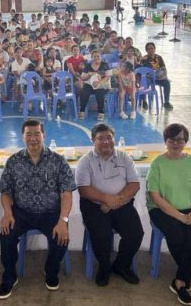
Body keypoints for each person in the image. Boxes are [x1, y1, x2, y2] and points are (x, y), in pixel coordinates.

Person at [0, 119, 76, 300]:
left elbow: (66, 194)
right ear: (22, 137)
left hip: (51, 213)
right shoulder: (14, 161)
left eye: (37, 134)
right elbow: (5, 191)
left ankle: (51, 271)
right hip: (21, 213)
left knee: (61, 237)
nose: (33, 138)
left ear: (43, 135)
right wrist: (7, 214)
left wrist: (63, 220)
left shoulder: (58, 161)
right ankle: (9, 276)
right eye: (28, 134)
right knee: (6, 235)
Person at [76, 123, 143, 287]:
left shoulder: (124, 157)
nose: (106, 142)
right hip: (94, 205)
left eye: (109, 138)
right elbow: (83, 189)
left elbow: (134, 184)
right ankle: (104, 267)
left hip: (122, 203)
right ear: (93, 141)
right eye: (101, 138)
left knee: (135, 233)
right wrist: (106, 199)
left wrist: (116, 200)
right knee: (102, 234)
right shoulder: (85, 161)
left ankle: (121, 265)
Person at [146, 123, 191, 306]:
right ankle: (184, 277)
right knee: (177, 234)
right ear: (166, 141)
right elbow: (155, 197)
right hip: (161, 209)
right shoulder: (157, 163)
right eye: (172, 139)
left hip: (190, 208)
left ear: (185, 141)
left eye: (180, 139)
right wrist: (180, 217)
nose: (176, 143)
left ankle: (179, 281)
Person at [79, 50, 111, 121]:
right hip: (90, 85)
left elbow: (108, 76)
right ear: (92, 58)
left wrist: (99, 82)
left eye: (98, 56)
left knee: (100, 93)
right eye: (94, 56)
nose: (96, 58)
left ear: (101, 57)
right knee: (84, 92)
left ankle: (101, 112)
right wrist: (88, 75)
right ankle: (82, 111)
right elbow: (82, 78)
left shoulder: (105, 65)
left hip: (101, 84)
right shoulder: (88, 66)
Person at [141, 42, 173, 110]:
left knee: (167, 83)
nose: (150, 50)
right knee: (144, 83)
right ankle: (144, 101)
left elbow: (164, 68)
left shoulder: (159, 58)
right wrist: (152, 74)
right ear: (146, 50)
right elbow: (144, 71)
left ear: (154, 49)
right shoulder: (144, 59)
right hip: (149, 78)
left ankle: (166, 102)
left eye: (152, 48)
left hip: (159, 78)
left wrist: (162, 76)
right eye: (148, 49)